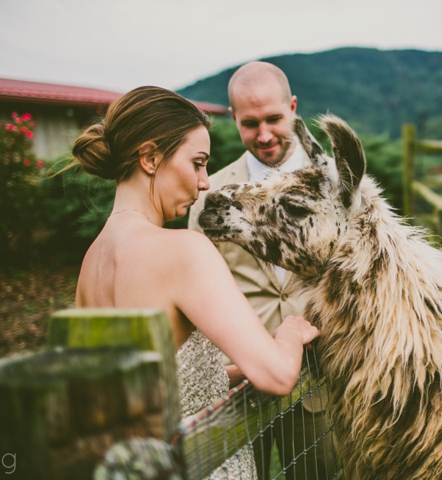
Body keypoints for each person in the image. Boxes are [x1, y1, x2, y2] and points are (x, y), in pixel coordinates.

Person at [72, 86, 320, 480]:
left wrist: (223, 374)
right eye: (198, 163)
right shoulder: (184, 252)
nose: (205, 183)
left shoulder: (92, 262)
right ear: (151, 158)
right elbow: (277, 375)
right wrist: (289, 334)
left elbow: (150, 382)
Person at [188, 62, 337, 480]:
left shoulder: (331, 187)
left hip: (319, 379)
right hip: (240, 386)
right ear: (233, 118)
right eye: (250, 123)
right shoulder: (207, 194)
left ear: (292, 107)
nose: (265, 135)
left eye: (274, 119)